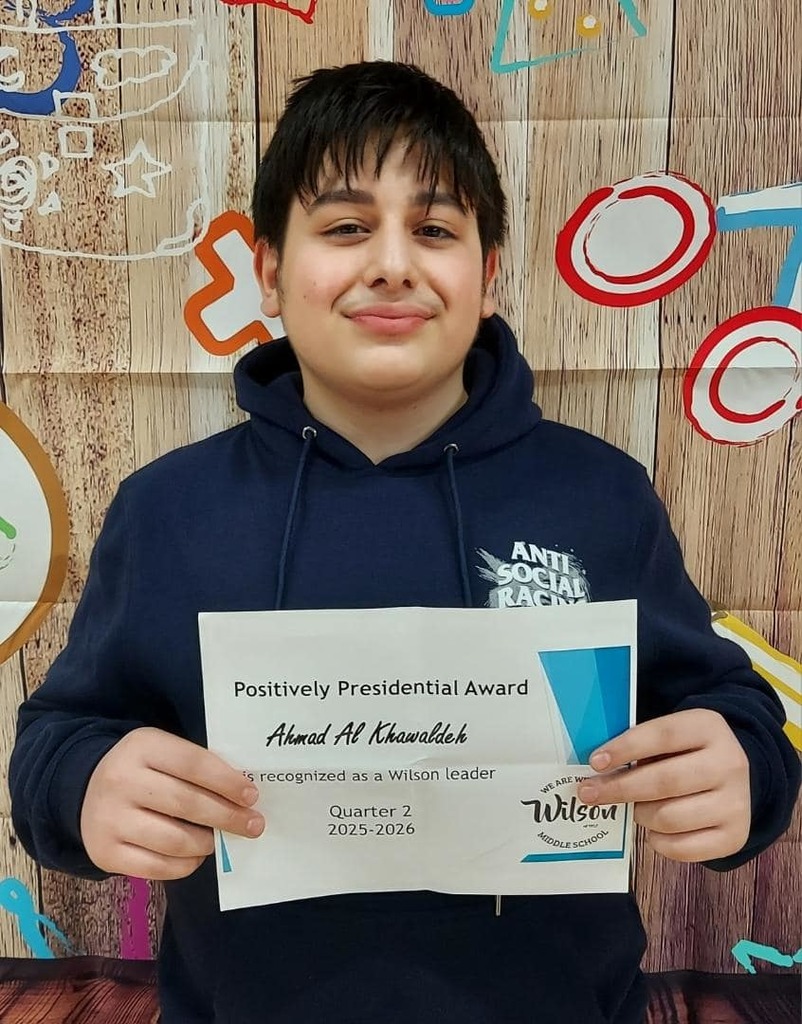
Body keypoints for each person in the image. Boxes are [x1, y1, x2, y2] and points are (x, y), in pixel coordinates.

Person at [9, 61, 800, 1024]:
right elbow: (55, 742)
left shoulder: (598, 496)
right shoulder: (170, 511)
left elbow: (730, 708)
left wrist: (740, 772)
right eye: (345, 228)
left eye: (434, 229)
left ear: (489, 274)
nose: (391, 263)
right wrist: (86, 786)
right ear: (267, 271)